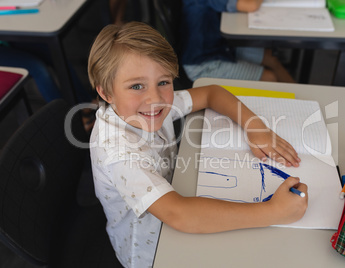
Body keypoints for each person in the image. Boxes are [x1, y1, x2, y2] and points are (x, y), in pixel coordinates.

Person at [88, 21, 307, 268]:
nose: (156, 98)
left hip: (175, 201)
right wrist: (273, 212)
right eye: (136, 86)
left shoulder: (148, 107)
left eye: (164, 82)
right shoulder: (118, 151)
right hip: (151, 253)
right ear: (106, 93)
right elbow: (179, 214)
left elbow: (211, 92)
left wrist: (256, 128)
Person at [181, 0, 295, 83]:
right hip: (203, 64)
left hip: (221, 45)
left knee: (271, 58)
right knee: (269, 78)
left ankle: (303, 100)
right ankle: (293, 109)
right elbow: (251, 5)